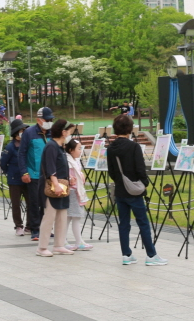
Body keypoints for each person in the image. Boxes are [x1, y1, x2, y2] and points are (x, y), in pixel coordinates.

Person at [106, 114, 168, 266]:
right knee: (143, 223)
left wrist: (120, 182)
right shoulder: (133, 146)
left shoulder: (111, 148)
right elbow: (140, 168)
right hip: (134, 190)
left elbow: (112, 171)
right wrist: (144, 183)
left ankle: (126, 254)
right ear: (130, 129)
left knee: (124, 223)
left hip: (120, 190)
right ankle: (151, 255)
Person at [36, 119, 76, 257]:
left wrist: (68, 179)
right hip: (53, 187)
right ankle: (42, 247)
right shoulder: (51, 146)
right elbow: (50, 167)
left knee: (61, 216)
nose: (70, 134)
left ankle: (59, 245)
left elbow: (60, 167)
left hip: (62, 185)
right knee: (50, 217)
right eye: (69, 131)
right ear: (63, 132)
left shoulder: (60, 147)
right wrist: (56, 184)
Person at [19, 107, 53, 241]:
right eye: (47, 119)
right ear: (39, 120)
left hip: (50, 174)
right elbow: (21, 153)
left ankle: (47, 228)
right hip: (33, 173)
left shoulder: (52, 133)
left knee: (48, 203)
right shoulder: (29, 133)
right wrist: (24, 172)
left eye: (51, 120)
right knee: (34, 202)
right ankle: (35, 229)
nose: (49, 122)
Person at [0, 118, 29, 236]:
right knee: (16, 204)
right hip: (14, 180)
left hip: (27, 178)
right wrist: (10, 173)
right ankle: (18, 225)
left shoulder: (27, 145)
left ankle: (30, 225)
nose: (23, 132)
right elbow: (3, 163)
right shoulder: (10, 147)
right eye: (21, 130)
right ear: (16, 133)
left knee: (31, 203)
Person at [64, 139, 92, 251]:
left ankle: (65, 240)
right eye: (78, 148)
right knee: (75, 216)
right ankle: (77, 241)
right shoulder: (68, 161)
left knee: (70, 217)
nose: (80, 151)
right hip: (73, 192)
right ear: (71, 150)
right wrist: (71, 178)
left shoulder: (74, 160)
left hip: (76, 191)